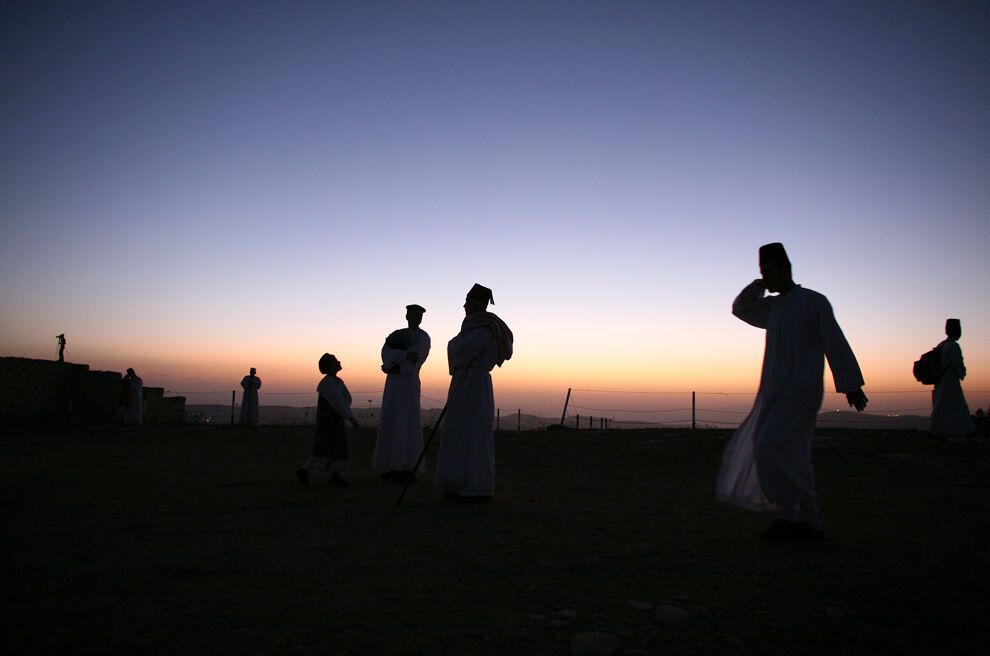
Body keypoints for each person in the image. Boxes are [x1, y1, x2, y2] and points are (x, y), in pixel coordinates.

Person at [717, 243, 868, 540]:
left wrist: (851, 384)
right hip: (775, 390)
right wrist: (759, 284)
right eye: (762, 271)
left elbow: (834, 340)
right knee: (790, 453)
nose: (766, 276)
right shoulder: (773, 308)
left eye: (770, 271)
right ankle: (800, 518)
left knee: (769, 446)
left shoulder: (813, 302)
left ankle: (798, 515)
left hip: (800, 391)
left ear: (785, 269)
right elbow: (741, 308)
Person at [435, 284, 513, 502]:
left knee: (472, 432)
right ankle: (456, 484)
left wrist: (454, 345)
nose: (464, 305)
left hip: (473, 384)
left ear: (476, 304)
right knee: (458, 430)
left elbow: (457, 348)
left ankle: (475, 488)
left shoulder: (483, 331)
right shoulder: (474, 329)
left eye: (467, 302)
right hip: (465, 382)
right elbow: (457, 347)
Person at [374, 304, 431, 484]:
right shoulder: (396, 335)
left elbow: (417, 356)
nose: (416, 318)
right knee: (392, 420)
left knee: (407, 421)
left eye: (418, 315)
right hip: (393, 382)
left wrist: (397, 363)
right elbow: (386, 354)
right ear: (407, 316)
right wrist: (401, 358)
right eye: (413, 314)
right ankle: (393, 466)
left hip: (408, 381)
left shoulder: (423, 337)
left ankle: (408, 466)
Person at [296, 354, 360, 487]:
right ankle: (304, 470)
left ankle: (335, 476)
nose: (339, 362)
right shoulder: (327, 384)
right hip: (328, 422)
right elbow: (338, 401)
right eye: (336, 361)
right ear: (330, 366)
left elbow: (344, 400)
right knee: (324, 448)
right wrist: (351, 418)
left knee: (338, 448)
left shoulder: (337, 381)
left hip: (335, 421)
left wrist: (345, 412)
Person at [929, 319, 977, 438]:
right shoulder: (953, 346)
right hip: (950, 380)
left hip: (940, 380)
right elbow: (958, 364)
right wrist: (962, 374)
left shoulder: (942, 345)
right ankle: (965, 430)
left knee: (941, 404)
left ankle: (938, 429)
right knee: (957, 405)